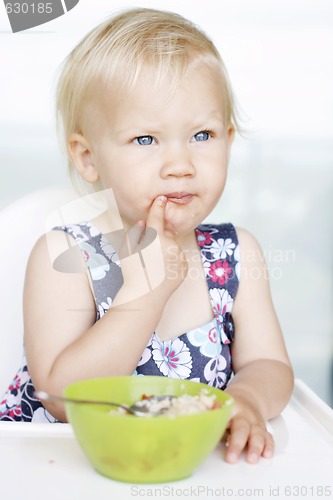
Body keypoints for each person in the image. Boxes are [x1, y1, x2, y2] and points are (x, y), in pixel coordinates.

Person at [0, 7, 293, 464]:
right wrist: (143, 298)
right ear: (88, 157)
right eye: (145, 140)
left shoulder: (235, 255)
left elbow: (268, 364)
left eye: (202, 134)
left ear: (229, 140)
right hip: (59, 467)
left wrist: (249, 398)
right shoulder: (65, 254)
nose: (180, 162)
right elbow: (58, 397)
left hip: (186, 468)